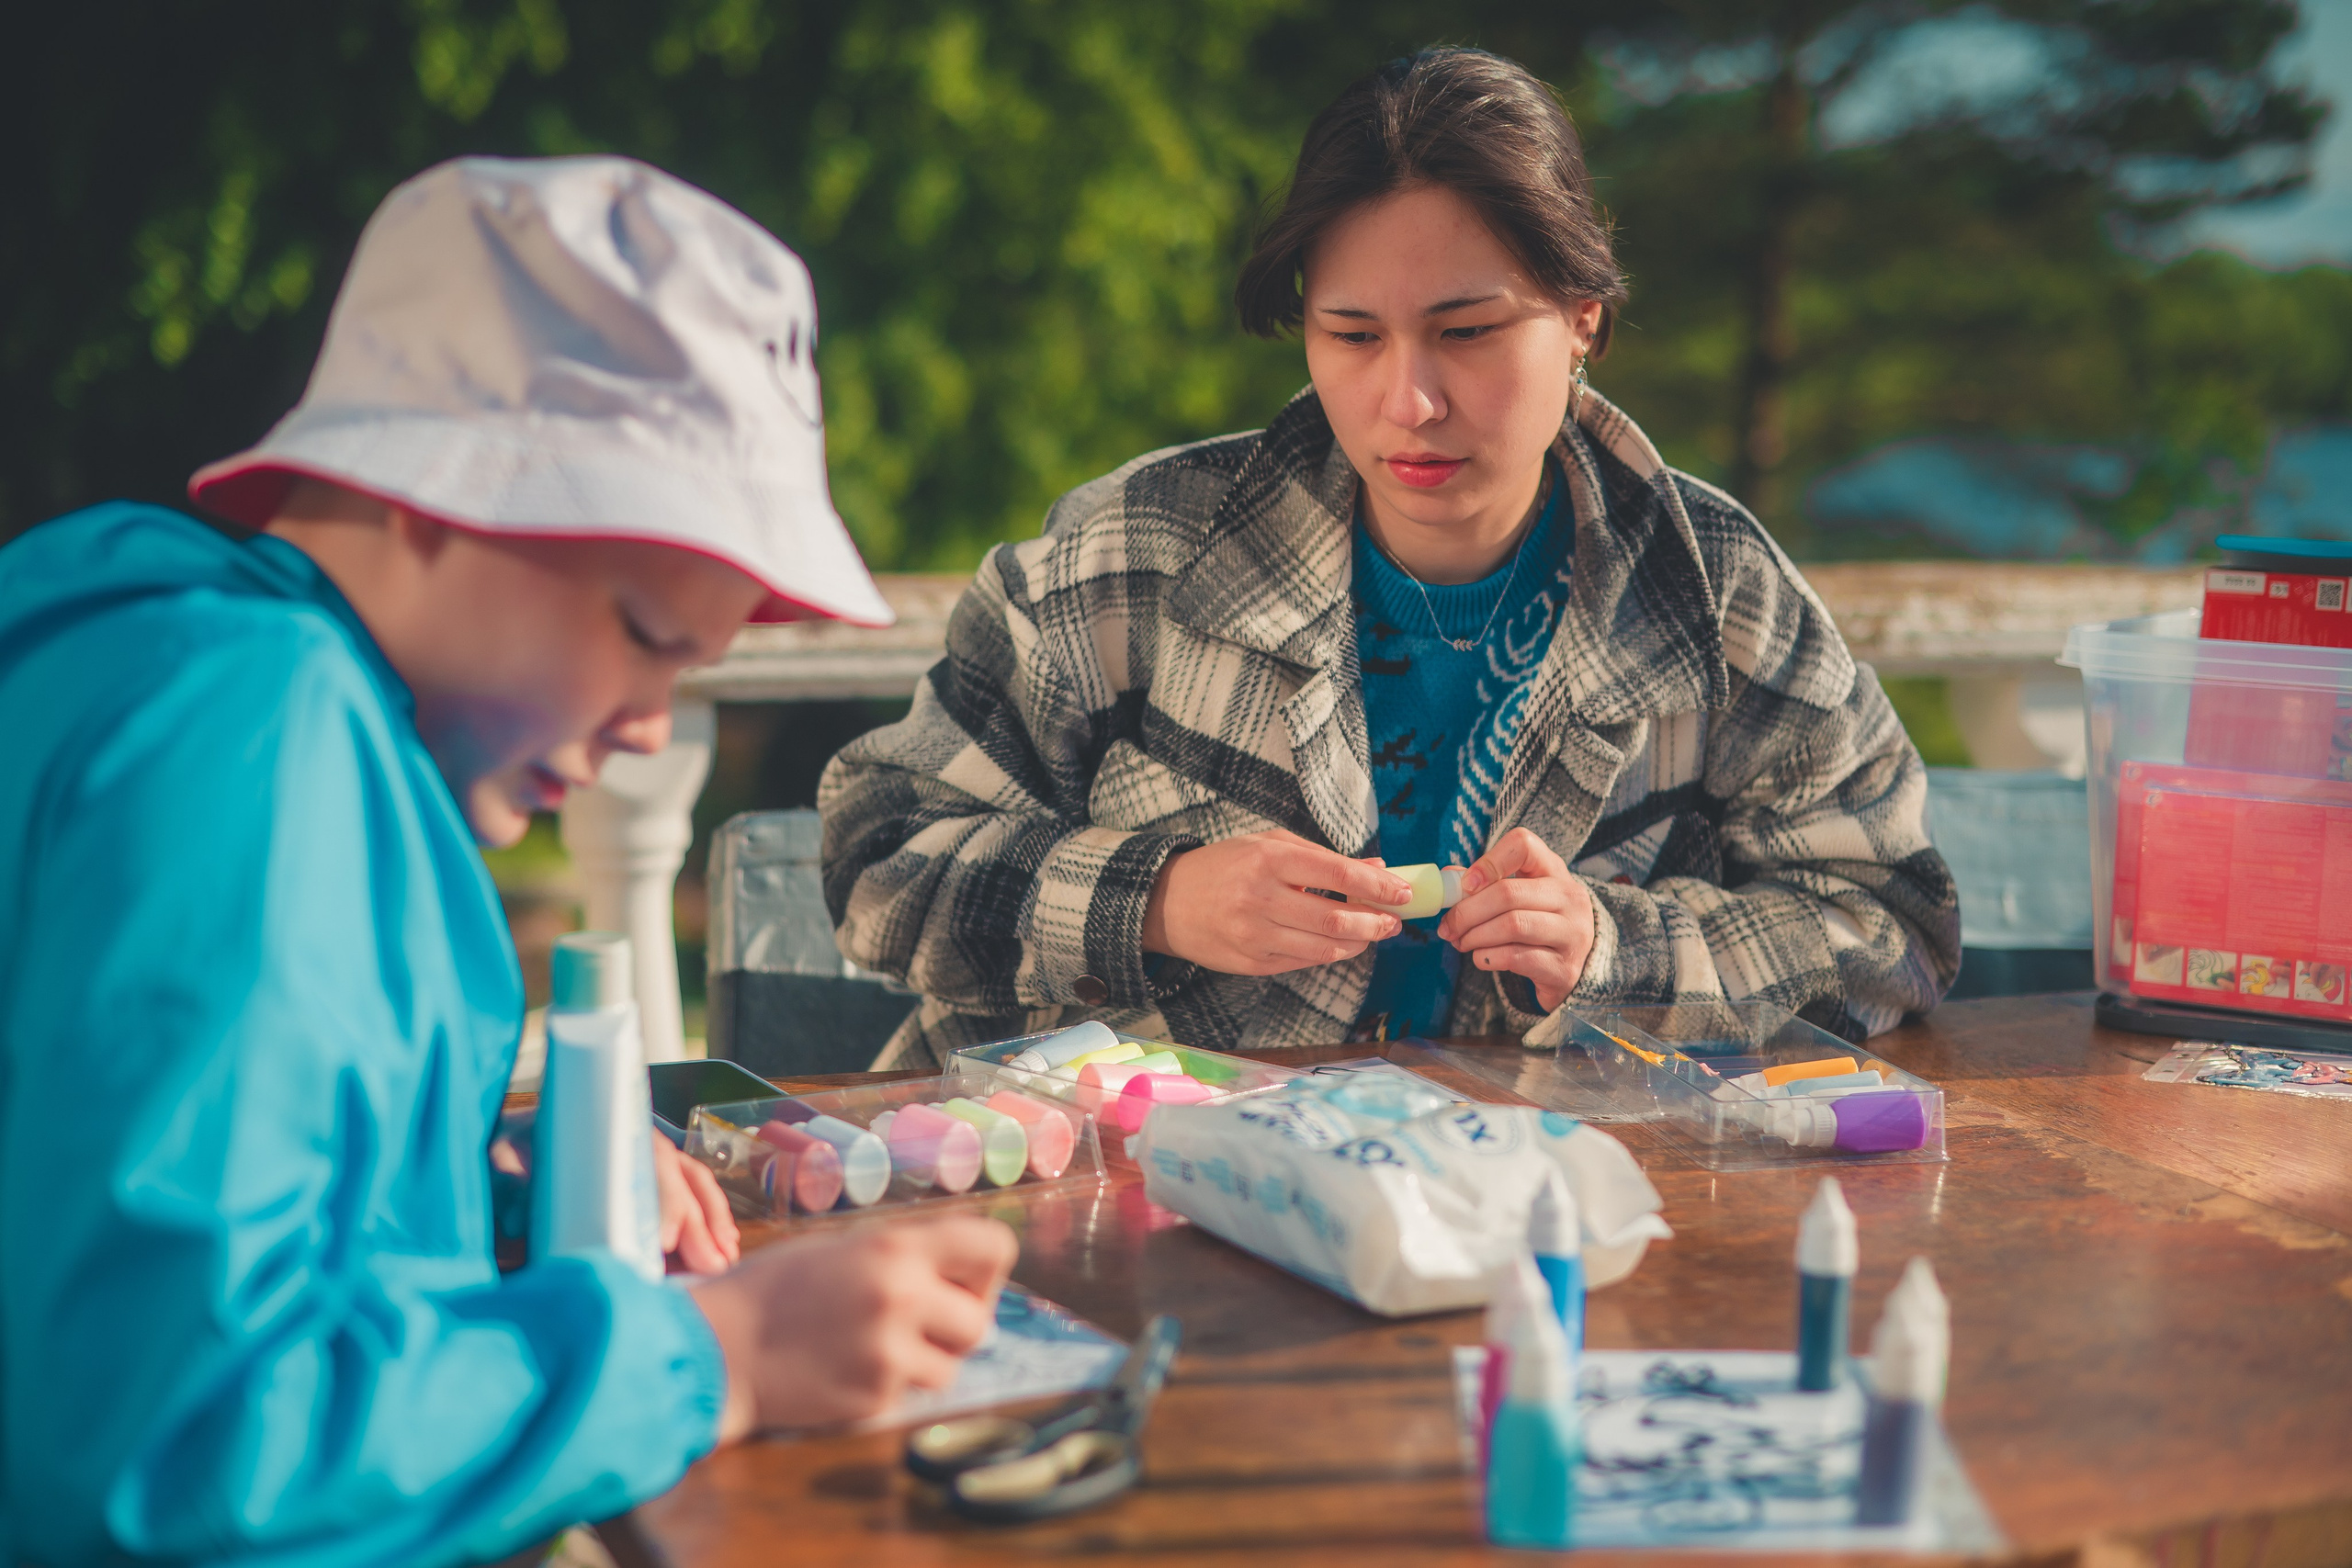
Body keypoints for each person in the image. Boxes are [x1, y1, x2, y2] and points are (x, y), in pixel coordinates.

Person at [0, 156, 1014, 1567]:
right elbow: (174, 1433)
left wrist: (484, 1196)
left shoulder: (147, 621)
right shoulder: (258, 726)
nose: (656, 726)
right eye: (648, 636)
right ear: (437, 492)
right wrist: (713, 1351)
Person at [821, 49, 1961, 1068]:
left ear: (1582, 319)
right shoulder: (1129, 561)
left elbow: (1892, 924)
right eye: (1352, 336)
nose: (1406, 402)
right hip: (1115, 1206)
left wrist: (1615, 951)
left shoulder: (1715, 595)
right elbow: (879, 862)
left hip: (1514, 1219)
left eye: (1466, 332)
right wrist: (1156, 900)